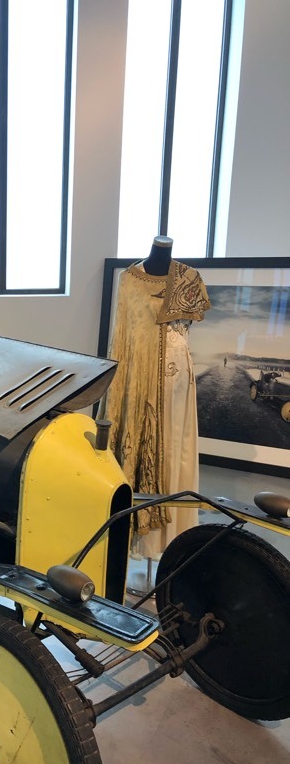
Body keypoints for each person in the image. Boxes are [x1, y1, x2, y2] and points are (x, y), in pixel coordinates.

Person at [99, 236, 211, 559]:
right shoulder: (129, 281)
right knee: (150, 453)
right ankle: (145, 544)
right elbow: (123, 338)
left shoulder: (189, 278)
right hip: (142, 385)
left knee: (177, 453)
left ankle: (174, 544)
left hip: (177, 388)